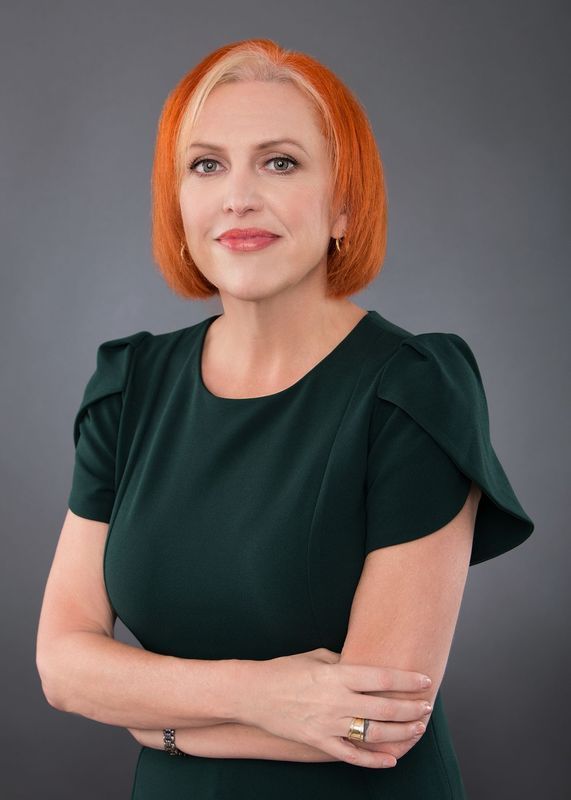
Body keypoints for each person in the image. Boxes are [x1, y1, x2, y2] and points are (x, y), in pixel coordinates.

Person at [36, 37, 535, 799]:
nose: (237, 196)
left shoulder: (413, 388)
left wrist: (157, 721)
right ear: (177, 203)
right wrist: (265, 695)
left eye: (279, 162)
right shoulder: (128, 386)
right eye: (207, 165)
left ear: (343, 204)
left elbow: (373, 723)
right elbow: (63, 667)